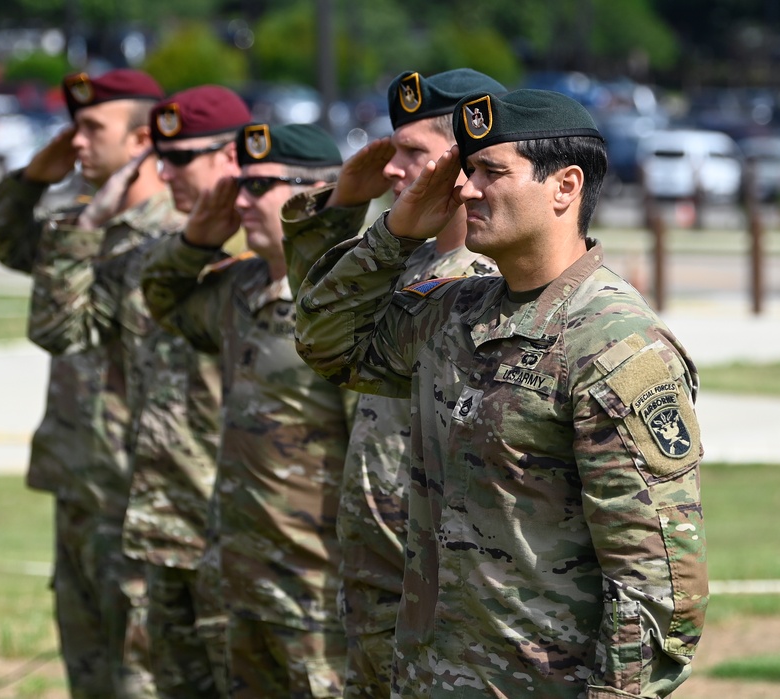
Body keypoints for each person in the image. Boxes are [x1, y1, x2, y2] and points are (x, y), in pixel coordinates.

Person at [294, 88, 708, 698]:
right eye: (466, 171)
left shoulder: (614, 342)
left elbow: (657, 586)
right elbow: (326, 342)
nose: (465, 189)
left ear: (565, 187)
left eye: (491, 172)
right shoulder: (455, 311)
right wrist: (397, 231)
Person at [24, 84, 253, 699]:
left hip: (227, 524)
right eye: (163, 157)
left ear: (232, 158)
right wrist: (89, 222)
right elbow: (57, 329)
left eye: (184, 158)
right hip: (151, 519)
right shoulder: (150, 257)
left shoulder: (265, 255)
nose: (165, 170)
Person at [280, 68, 503, 698]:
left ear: (464, 163)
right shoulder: (407, 260)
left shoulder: (487, 281)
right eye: (393, 150)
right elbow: (317, 317)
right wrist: (345, 208)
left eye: (414, 153)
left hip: (444, 579)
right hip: (377, 570)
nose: (394, 170)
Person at [140, 123, 353, 699]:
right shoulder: (242, 287)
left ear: (317, 194)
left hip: (316, 595)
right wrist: (196, 241)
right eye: (238, 185)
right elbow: (160, 297)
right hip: (239, 584)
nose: (239, 201)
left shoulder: (345, 300)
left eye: (259, 185)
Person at [0, 68, 170, 699]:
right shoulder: (77, 225)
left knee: (140, 680)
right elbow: (10, 239)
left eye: (93, 128)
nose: (79, 142)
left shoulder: (178, 239)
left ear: (144, 138)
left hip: (136, 494)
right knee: (87, 675)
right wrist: (40, 172)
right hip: (78, 483)